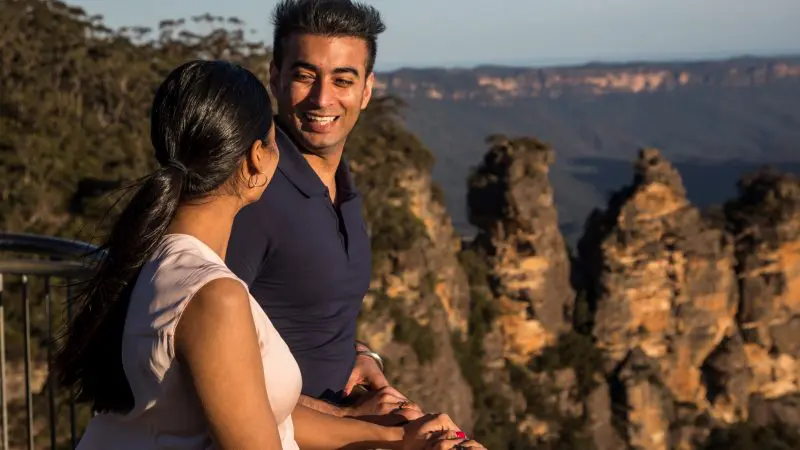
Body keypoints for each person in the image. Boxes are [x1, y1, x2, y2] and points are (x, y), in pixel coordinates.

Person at [53, 60, 484, 450]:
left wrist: (389, 435)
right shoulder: (213, 297)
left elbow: (251, 412)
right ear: (257, 161)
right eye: (276, 145)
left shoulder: (153, 258)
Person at [226, 0, 414, 420]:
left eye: (342, 80)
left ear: (366, 91)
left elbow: (306, 312)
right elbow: (206, 369)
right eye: (304, 75)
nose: (322, 98)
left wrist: (360, 353)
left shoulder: (342, 184)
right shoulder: (252, 192)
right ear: (275, 78)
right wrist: (347, 422)